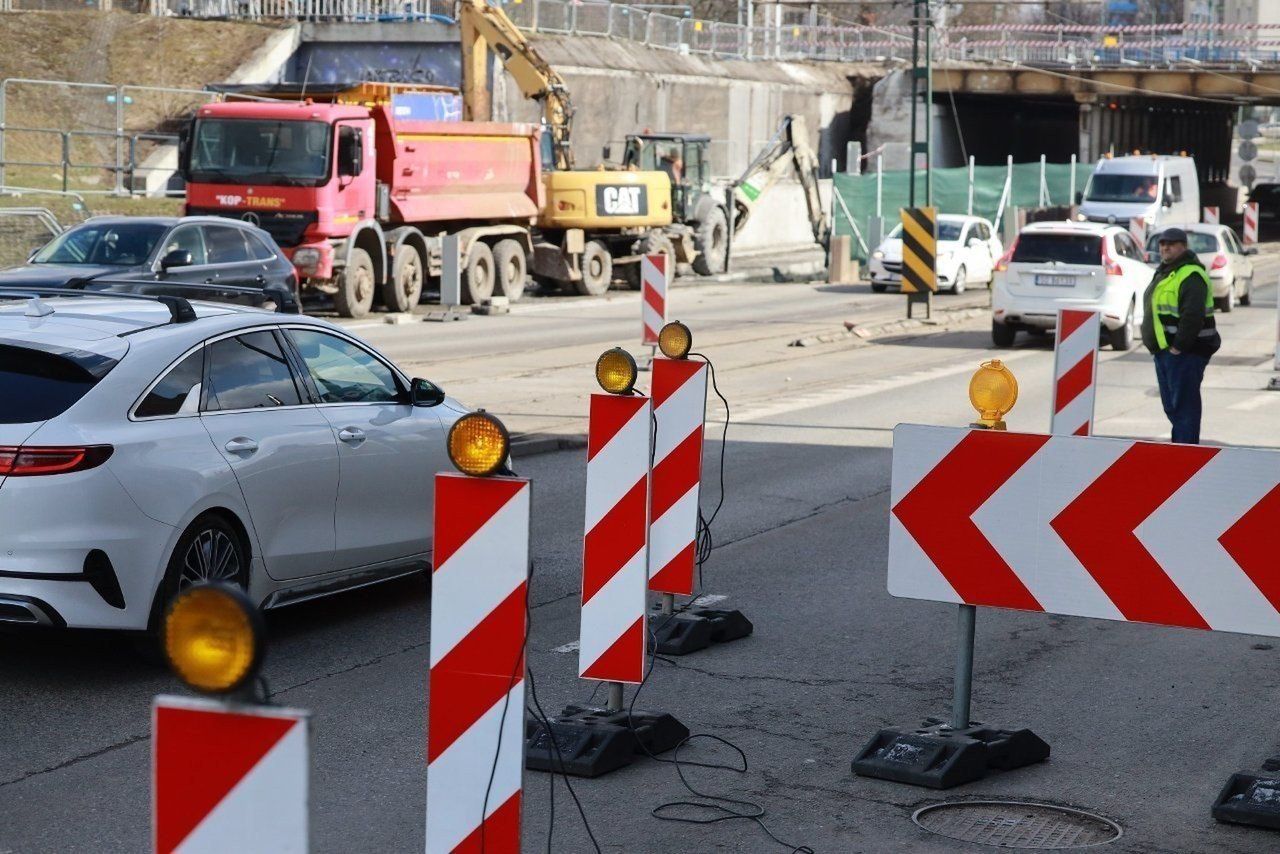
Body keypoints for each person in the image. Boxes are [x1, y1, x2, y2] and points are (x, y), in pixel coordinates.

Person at [1140, 226, 1221, 444]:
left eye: (1171, 244)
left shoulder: (1191, 275)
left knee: (1184, 408)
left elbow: (1192, 316)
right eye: (1162, 243)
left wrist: (1178, 348)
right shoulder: (1166, 271)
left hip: (1185, 353)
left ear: (1183, 247)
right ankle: (1182, 451)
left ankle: (1185, 456)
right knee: (1174, 408)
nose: (1165, 247)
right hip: (1166, 352)